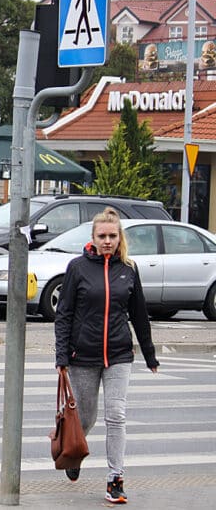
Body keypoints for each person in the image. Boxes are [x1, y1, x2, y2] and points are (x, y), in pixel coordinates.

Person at [54, 207, 159, 504]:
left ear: (119, 237)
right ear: (93, 238)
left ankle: (116, 479)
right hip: (82, 356)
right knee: (85, 418)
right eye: (102, 236)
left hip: (119, 354)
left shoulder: (128, 268)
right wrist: (62, 356)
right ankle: (74, 454)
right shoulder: (77, 268)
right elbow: (64, 315)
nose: (108, 241)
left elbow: (139, 314)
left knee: (117, 416)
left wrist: (149, 355)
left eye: (113, 236)